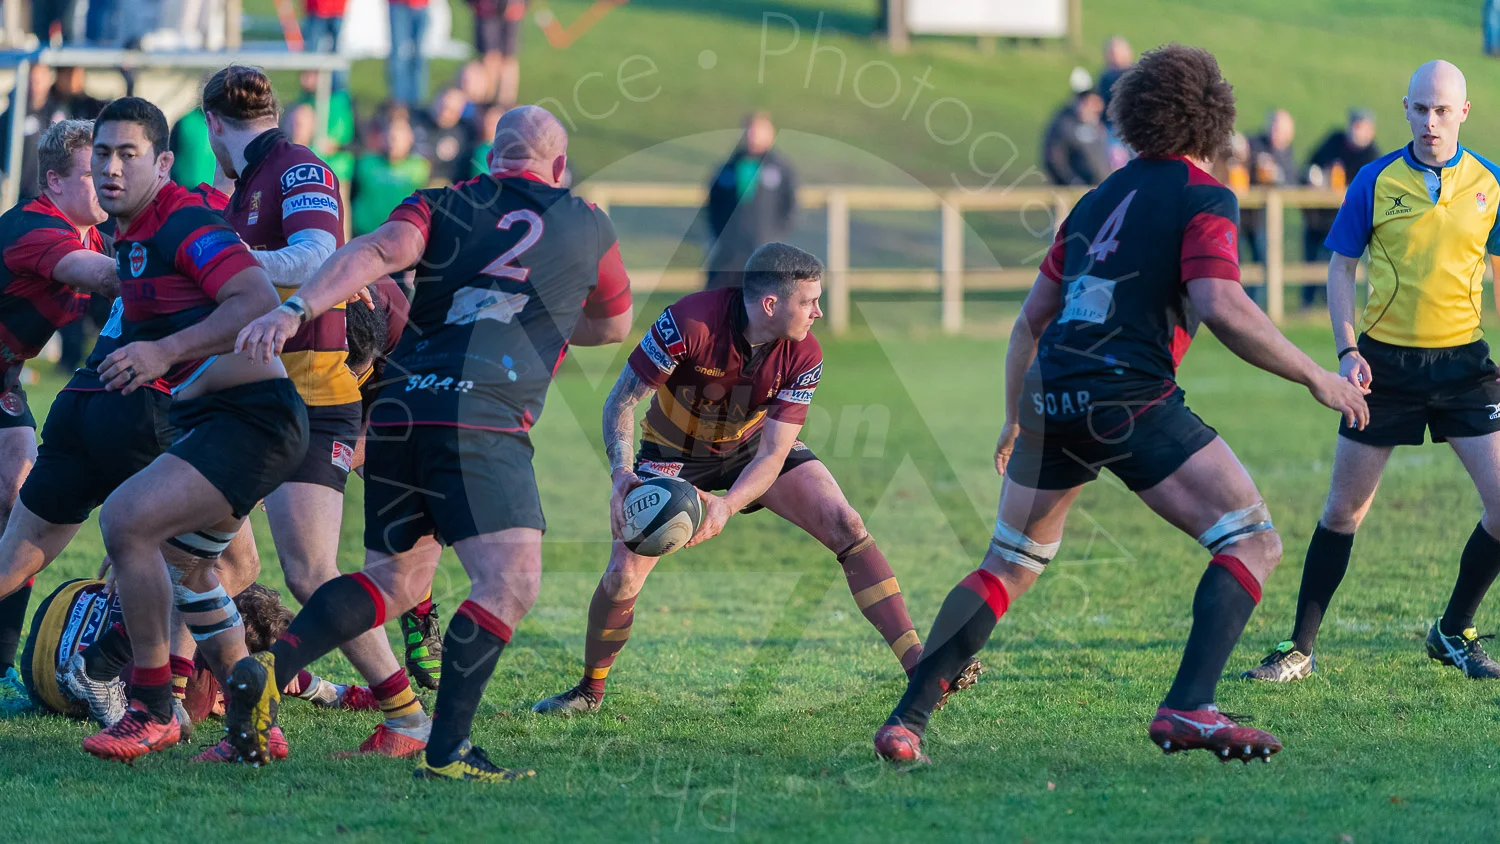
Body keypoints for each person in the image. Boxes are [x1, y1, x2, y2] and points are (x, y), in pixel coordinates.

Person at [871, 45, 1369, 766]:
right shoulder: (1204, 196)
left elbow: (1029, 322)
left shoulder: (1094, 201)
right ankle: (1191, 706)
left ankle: (907, 719)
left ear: (1136, 120)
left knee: (1009, 559)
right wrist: (1317, 376)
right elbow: (1221, 303)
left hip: (1053, 393)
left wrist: (1015, 417)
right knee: (1251, 538)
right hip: (1126, 393)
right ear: (1214, 122)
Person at [229, 105, 633, 780]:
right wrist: (543, 318)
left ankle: (270, 668)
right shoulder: (588, 220)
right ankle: (447, 751)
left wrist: (297, 305)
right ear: (558, 169)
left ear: (490, 161)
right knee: (509, 581)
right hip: (482, 417)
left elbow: (374, 252)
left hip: (397, 411)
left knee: (395, 577)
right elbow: (613, 323)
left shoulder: (440, 202)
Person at [530, 242, 978, 717]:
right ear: (771, 304)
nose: (819, 312)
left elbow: (773, 453)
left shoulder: (805, 352)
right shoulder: (688, 322)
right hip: (672, 454)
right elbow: (621, 400)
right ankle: (589, 691)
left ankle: (921, 671)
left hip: (752, 446)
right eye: (809, 301)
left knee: (846, 524)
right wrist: (622, 473)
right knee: (622, 575)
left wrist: (728, 504)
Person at [199, 65, 438, 757]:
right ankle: (195, 697)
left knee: (307, 569)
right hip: (249, 394)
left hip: (313, 391)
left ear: (213, 125)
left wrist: (213, 257)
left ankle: (404, 714)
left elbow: (316, 254)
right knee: (198, 550)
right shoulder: (240, 188)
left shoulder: (298, 166)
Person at [1245, 61, 1500, 683]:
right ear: (1406, 109)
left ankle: (1453, 630)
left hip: (1465, 365)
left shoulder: (1490, 181)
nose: (1431, 121)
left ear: (1463, 112)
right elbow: (1340, 267)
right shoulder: (1373, 179)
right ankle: (1300, 646)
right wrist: (1346, 349)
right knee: (1343, 512)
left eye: (1443, 110)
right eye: (1420, 109)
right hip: (1383, 366)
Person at [77, 96, 308, 762]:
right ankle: (255, 724)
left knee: (126, 521)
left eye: (129, 154)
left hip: (253, 422)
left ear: (164, 162)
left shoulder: (182, 220)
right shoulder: (135, 233)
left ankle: (151, 708)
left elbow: (256, 303)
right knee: (191, 567)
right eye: (103, 153)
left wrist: (162, 352)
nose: (112, 168)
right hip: (226, 421)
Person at [0, 120, 121, 714]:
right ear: (54, 181)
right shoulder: (35, 229)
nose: (108, 181)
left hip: (3, 378)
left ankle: (0, 668)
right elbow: (108, 278)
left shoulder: (89, 231)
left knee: (20, 500)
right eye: (94, 174)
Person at [705, 112, 797, 289]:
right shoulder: (728, 167)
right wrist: (720, 233)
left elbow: (790, 205)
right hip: (729, 251)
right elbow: (713, 203)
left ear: (770, 134)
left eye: (759, 131)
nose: (753, 137)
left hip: (764, 245)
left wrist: (774, 234)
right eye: (749, 131)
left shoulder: (780, 168)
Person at [1300, 109, 1380, 309]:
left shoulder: (1372, 155)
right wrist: (1314, 176)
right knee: (1310, 257)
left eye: (1362, 127)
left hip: (1345, 218)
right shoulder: (1334, 141)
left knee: (1335, 261)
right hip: (1318, 213)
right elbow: (1311, 164)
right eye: (1355, 126)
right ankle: (1307, 304)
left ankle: (1330, 303)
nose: (1356, 131)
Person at [351, 107, 430, 236]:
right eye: (390, 136)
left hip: (402, 236)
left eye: (398, 137)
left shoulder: (420, 168)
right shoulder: (365, 162)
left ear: (410, 138)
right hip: (364, 235)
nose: (393, 142)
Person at [1241, 108, 1298, 266]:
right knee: (1238, 260)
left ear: (1289, 134)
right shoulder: (1254, 143)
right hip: (1243, 211)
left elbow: (1292, 183)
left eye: (1280, 129)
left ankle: (1257, 291)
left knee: (1263, 261)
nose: (1275, 131)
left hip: (1266, 218)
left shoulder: (1287, 154)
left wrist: (1277, 175)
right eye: (1273, 125)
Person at [1040, 89, 1112, 186]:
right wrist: (1073, 182)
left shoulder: (1099, 128)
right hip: (1078, 190)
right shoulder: (1066, 126)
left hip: (1101, 188)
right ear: (1082, 104)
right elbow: (1055, 159)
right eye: (1093, 104)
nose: (1098, 108)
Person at [418, 87, 474, 185]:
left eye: (451, 110)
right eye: (442, 107)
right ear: (436, 100)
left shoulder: (465, 133)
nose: (444, 114)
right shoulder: (415, 120)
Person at [387, 0, 430, 106]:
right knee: (399, 56)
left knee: (419, 56)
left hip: (421, 4)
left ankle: (417, 101)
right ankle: (400, 104)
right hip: (399, 4)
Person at [301, 0, 349, 92]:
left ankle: (337, 90)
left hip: (337, 9)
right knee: (312, 53)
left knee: (336, 54)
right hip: (316, 8)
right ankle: (310, 91)